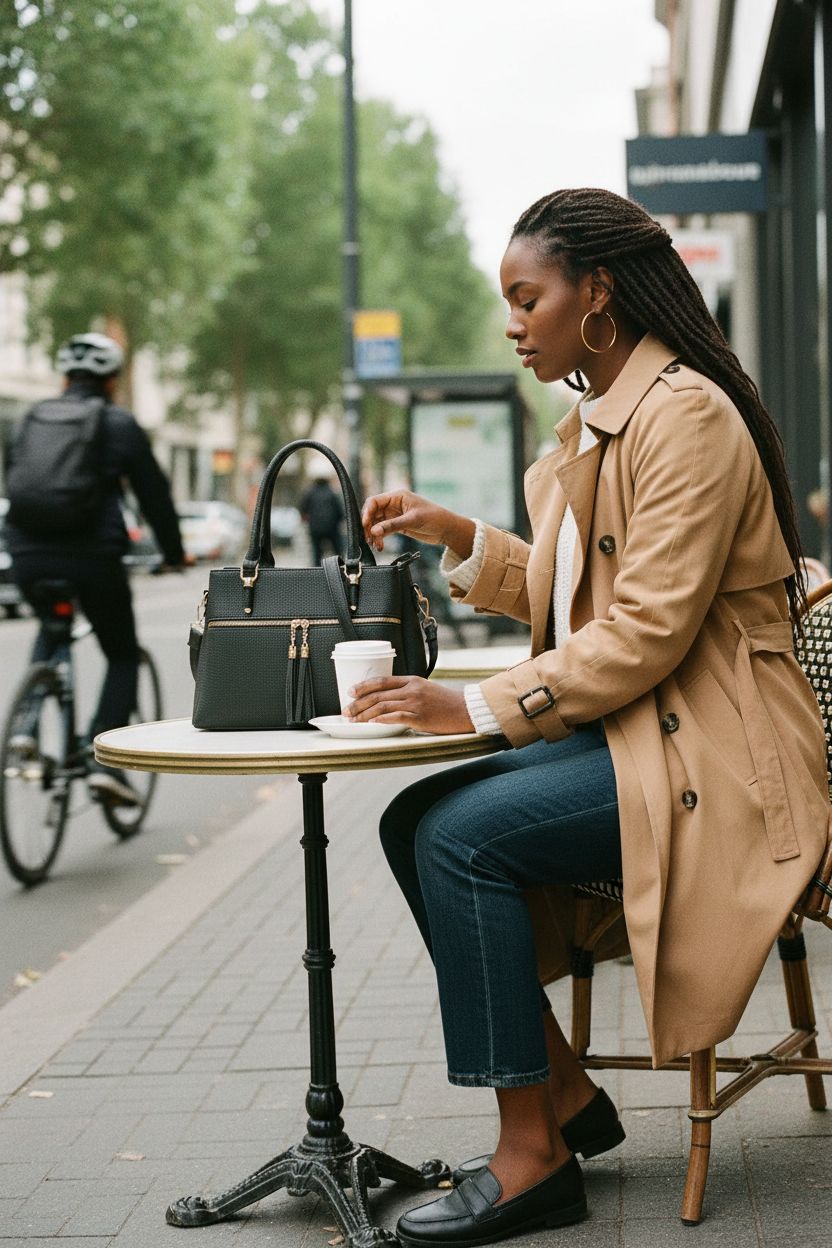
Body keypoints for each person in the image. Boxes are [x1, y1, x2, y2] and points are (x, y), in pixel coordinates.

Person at [348, 188, 831, 1246]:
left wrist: (467, 701)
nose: (512, 321)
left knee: (460, 836)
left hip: (721, 753)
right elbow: (582, 596)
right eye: (508, 301)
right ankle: (563, 1098)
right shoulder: (605, 420)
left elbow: (646, 634)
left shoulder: (683, 416)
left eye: (528, 298)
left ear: (596, 292)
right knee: (409, 821)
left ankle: (532, 1156)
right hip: (641, 733)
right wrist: (456, 535)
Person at [5, 332, 186, 809]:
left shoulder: (31, 419)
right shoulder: (118, 423)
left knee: (52, 628)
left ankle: (24, 729)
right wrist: (172, 552)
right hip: (92, 557)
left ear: (65, 378)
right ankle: (100, 756)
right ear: (112, 382)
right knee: (122, 653)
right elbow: (154, 496)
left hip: (26, 553)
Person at [299, 468, 344, 564]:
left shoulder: (309, 493)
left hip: (315, 528)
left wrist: (307, 520)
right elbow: (340, 512)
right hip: (332, 528)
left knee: (316, 554)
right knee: (338, 552)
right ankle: (341, 570)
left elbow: (303, 510)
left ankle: (317, 573)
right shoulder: (332, 493)